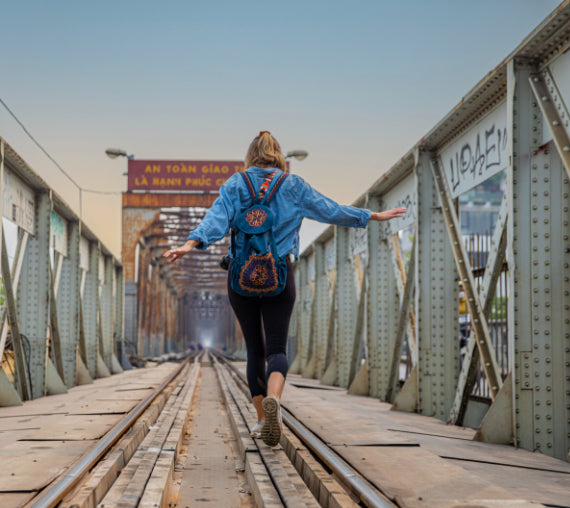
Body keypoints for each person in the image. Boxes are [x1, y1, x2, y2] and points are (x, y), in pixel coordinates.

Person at [163, 131, 406, 446]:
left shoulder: (235, 185)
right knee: (277, 348)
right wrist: (371, 215)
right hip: (279, 274)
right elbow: (330, 210)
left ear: (250, 156)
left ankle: (263, 420)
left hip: (241, 278)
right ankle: (274, 399)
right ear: (278, 156)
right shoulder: (293, 186)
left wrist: (189, 243)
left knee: (255, 349)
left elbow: (215, 220)